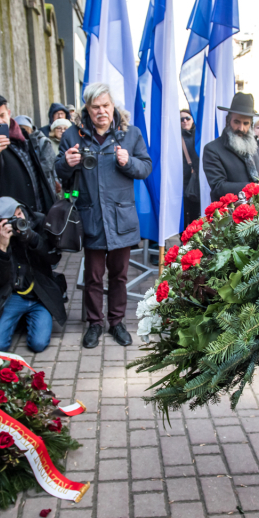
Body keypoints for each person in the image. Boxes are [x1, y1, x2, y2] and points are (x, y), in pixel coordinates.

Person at [55, 83, 153, 348]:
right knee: (93, 276)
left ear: (113, 107)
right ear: (87, 108)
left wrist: (128, 162)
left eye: (105, 106)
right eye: (95, 107)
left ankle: (117, 322)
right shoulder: (73, 136)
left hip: (121, 218)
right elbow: (58, 171)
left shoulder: (130, 134)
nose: (101, 111)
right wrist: (66, 163)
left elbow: (145, 168)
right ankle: (95, 324)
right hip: (91, 218)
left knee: (120, 275)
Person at [0, 197, 66, 353]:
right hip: (12, 296)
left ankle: (27, 319)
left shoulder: (38, 221)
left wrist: (33, 239)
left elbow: (54, 258)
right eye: (12, 218)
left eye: (20, 213)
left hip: (40, 294)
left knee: (38, 344)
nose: (19, 219)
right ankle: (19, 319)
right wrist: (2, 247)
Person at [0, 95, 56, 216]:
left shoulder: (22, 134)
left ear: (9, 113)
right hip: (17, 214)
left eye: (2, 115)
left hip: (41, 209)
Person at [202, 93, 259, 202]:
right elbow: (218, 186)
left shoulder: (254, 146)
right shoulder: (212, 149)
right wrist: (252, 188)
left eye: (246, 123)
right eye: (236, 122)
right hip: (229, 215)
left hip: (257, 214)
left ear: (251, 125)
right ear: (228, 121)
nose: (241, 128)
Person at [180, 109, 200, 230]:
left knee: (194, 213)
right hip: (182, 181)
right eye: (181, 119)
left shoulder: (198, 136)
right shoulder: (176, 137)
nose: (185, 121)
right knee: (183, 214)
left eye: (187, 118)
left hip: (195, 180)